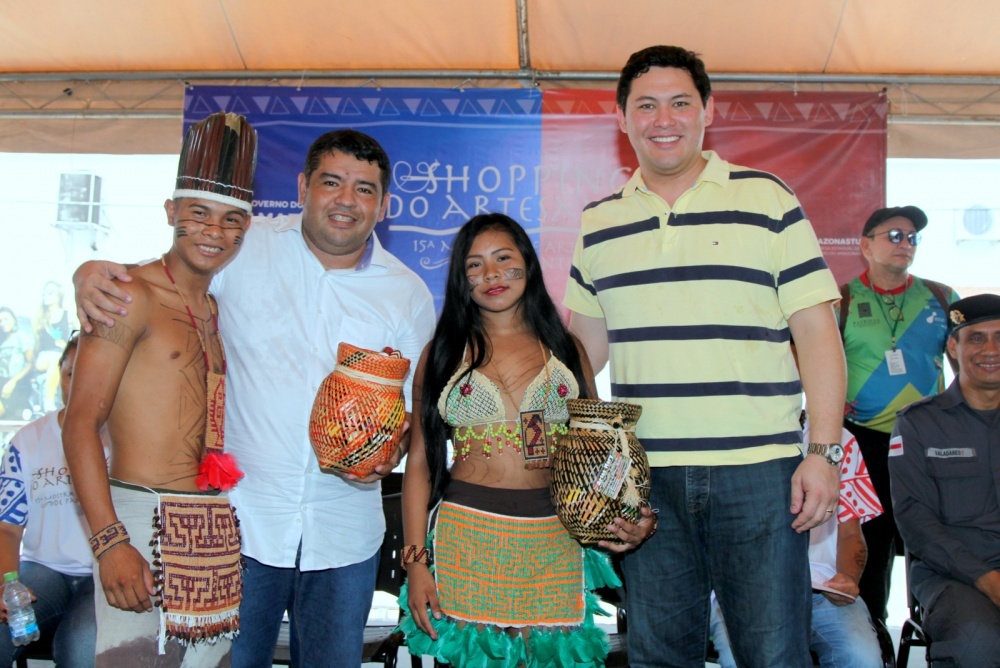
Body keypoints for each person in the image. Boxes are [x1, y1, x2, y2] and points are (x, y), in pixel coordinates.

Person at [74, 128, 436, 666]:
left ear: (383, 206)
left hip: (345, 535)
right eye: (331, 182)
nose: (345, 200)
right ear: (301, 187)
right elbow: (162, 280)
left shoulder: (406, 291)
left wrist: (387, 455)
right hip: (238, 532)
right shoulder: (243, 247)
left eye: (364, 189)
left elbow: (410, 420)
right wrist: (88, 273)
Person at [563, 45, 845, 666]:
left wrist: (823, 453)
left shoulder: (768, 200)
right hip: (646, 481)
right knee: (660, 657)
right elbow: (582, 355)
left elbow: (818, 333)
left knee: (774, 655)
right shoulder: (598, 224)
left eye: (680, 102)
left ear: (708, 110)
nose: (664, 119)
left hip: (762, 475)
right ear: (622, 119)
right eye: (646, 105)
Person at [399, 213, 655, 666]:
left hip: (554, 535)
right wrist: (416, 561)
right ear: (461, 280)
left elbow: (604, 449)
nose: (491, 274)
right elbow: (419, 461)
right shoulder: (439, 352)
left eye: (503, 259)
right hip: (468, 533)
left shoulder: (566, 346)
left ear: (529, 266)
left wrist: (634, 512)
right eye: (474, 266)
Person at [63, 111, 258, 666]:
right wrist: (109, 541)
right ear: (171, 212)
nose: (214, 233)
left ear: (247, 228)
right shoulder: (129, 294)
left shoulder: (217, 308)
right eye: (199, 214)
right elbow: (79, 423)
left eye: (230, 220)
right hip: (137, 519)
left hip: (210, 525)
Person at [839, 204, 959, 627]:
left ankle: (943, 625)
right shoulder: (843, 299)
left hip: (928, 438)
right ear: (865, 245)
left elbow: (970, 361)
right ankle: (872, 636)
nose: (905, 243)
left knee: (935, 538)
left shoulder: (942, 297)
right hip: (864, 440)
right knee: (871, 546)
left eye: (912, 237)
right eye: (894, 235)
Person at [709, 418, 884, 668]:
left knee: (862, 658)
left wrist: (847, 579)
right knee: (742, 660)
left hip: (824, 591)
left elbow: (851, 535)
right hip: (745, 591)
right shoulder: (728, 436)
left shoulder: (839, 440)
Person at [889, 293, 1000, 666]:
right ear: (953, 345)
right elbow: (915, 522)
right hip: (953, 576)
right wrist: (985, 577)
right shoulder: (918, 423)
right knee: (977, 640)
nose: (990, 349)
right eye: (976, 338)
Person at [0, 333, 107, 667]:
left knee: (80, 649)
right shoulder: (27, 440)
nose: (77, 384)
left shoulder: (127, 441)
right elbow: (7, 528)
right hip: (42, 570)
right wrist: (7, 583)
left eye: (89, 373)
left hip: (104, 575)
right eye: (70, 373)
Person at [32, 281, 73, 413]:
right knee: (55, 359)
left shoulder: (68, 315)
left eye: (50, 292)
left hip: (63, 355)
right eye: (45, 293)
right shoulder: (39, 317)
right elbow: (35, 344)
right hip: (43, 357)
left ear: (58, 295)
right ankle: (48, 403)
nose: (46, 296)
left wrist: (65, 343)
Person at [0, 306, 35, 421]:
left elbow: (30, 363)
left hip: (17, 382)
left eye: (6, 319)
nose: (3, 323)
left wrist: (13, 381)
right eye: (0, 321)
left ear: (13, 319)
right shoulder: (2, 339)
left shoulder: (22, 336)